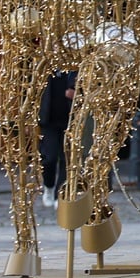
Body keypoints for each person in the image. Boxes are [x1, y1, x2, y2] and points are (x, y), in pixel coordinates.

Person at [38, 70, 76, 207]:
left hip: (70, 121)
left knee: (66, 159)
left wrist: (75, 94)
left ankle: (59, 195)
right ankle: (49, 186)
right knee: (49, 158)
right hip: (49, 121)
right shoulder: (45, 68)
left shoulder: (74, 69)